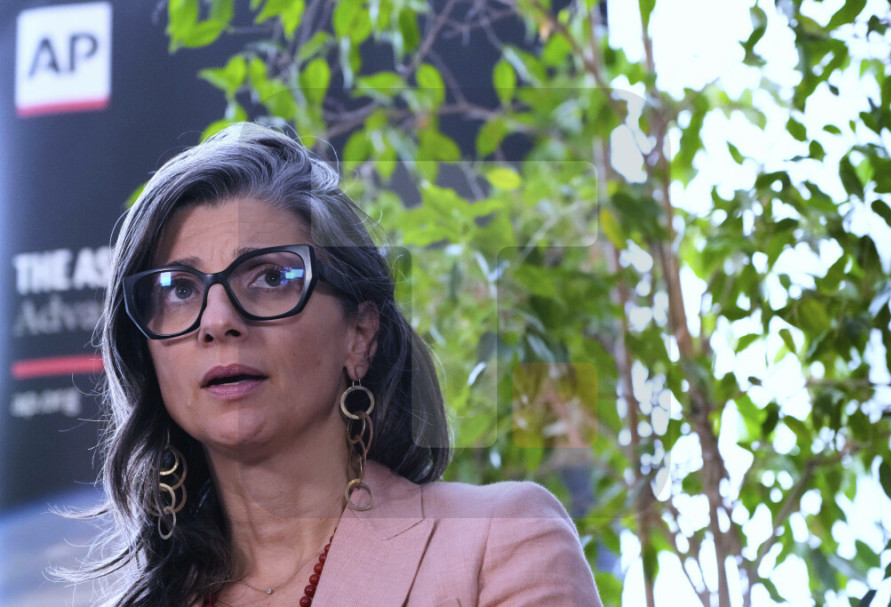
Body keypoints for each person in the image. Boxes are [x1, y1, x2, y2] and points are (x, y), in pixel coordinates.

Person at [80, 123, 601, 606]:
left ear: (360, 335)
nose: (217, 321)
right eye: (179, 290)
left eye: (271, 278)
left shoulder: (500, 540)